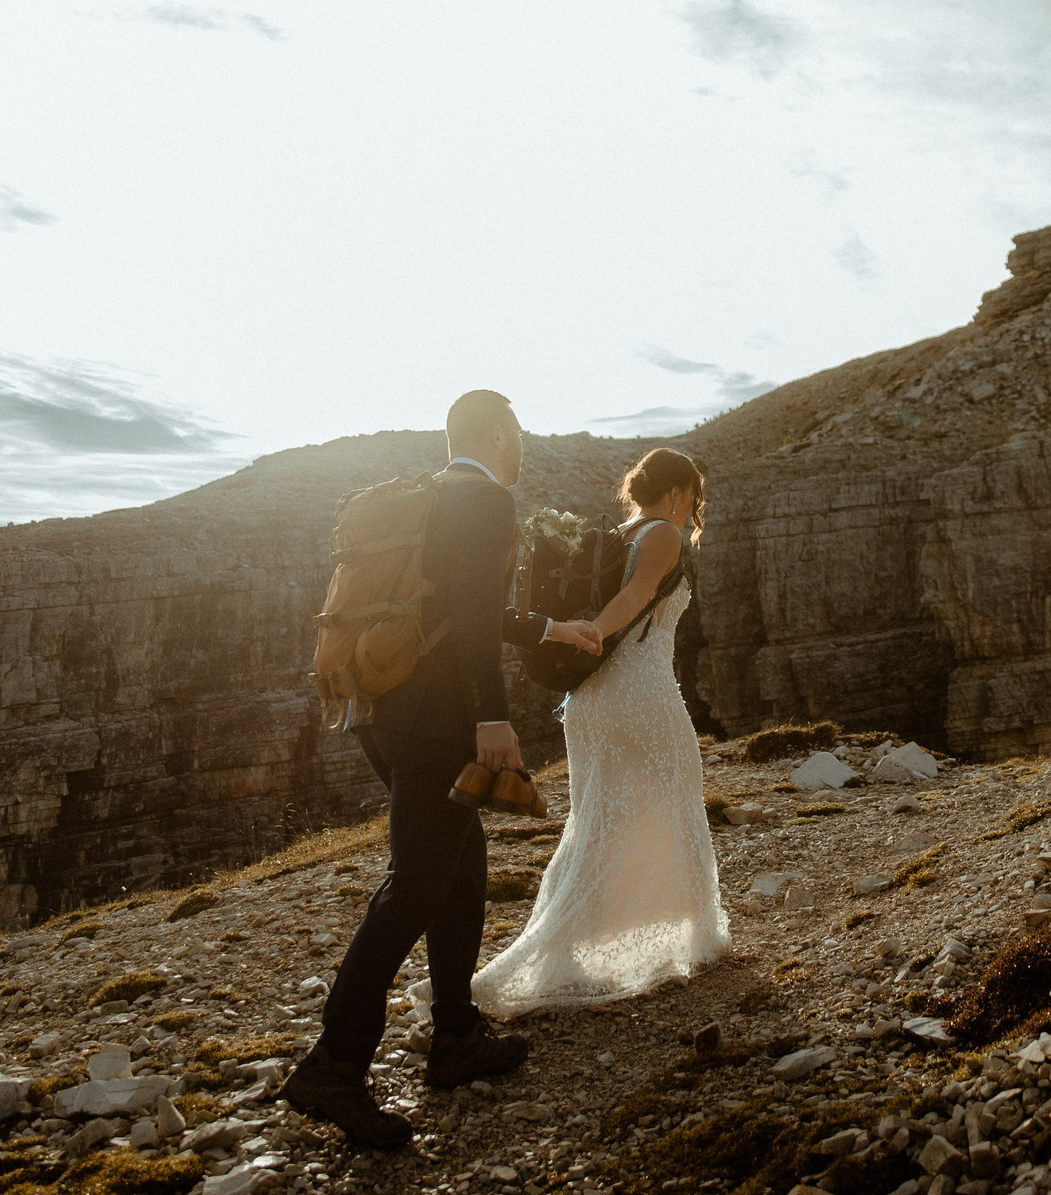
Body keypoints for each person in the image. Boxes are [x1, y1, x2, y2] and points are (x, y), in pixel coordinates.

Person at [283, 390, 603, 1148]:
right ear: (497, 433)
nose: (522, 446)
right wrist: (491, 716)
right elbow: (471, 619)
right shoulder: (488, 500)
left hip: (383, 714)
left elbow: (468, 607)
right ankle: (334, 1062)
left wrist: (552, 625)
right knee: (417, 885)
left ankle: (456, 1034)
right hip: (440, 721)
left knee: (461, 871)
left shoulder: (433, 499)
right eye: (518, 432)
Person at [469, 447, 730, 1016]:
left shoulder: (616, 533)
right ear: (681, 491)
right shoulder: (663, 533)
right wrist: (589, 632)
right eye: (695, 496)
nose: (694, 508)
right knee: (667, 798)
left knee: (598, 816)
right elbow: (634, 597)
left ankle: (573, 944)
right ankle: (674, 934)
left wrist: (579, 636)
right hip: (640, 695)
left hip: (588, 700)